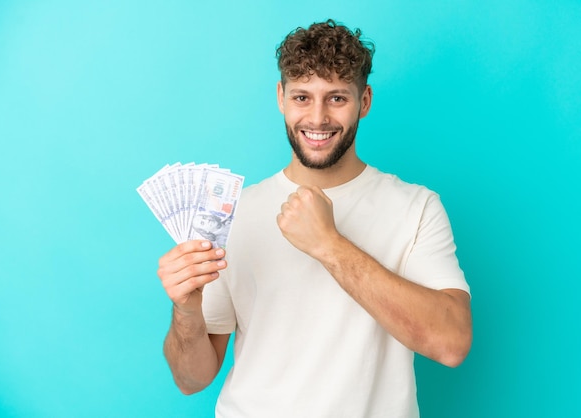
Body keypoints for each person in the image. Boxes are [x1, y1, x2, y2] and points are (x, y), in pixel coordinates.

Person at [157, 19, 472, 418]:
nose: (318, 118)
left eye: (337, 98)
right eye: (302, 97)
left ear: (365, 101)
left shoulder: (417, 207)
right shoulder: (233, 216)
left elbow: (452, 343)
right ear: (280, 98)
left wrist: (330, 245)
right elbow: (191, 380)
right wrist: (186, 310)